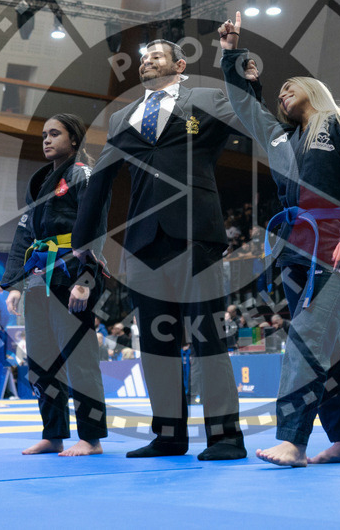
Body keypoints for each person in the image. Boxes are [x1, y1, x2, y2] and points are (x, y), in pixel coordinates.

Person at [220, 12, 340, 467]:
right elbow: (247, 109)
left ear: (315, 90)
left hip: (338, 247)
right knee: (328, 350)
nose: (281, 93)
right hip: (297, 253)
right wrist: (234, 57)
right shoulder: (284, 139)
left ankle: (292, 440)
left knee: (304, 337)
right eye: (279, 92)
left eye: (290, 87)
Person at [73, 39, 246, 461]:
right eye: (144, 57)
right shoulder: (121, 118)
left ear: (179, 64)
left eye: (156, 56)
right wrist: (82, 240)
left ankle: (225, 438)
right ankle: (169, 435)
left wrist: (233, 60)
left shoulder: (204, 98)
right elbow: (102, 179)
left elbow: (247, 113)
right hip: (143, 241)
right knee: (155, 345)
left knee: (208, 339)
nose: (147, 60)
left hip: (195, 234)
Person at [4, 114, 108, 455]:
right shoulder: (39, 181)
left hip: (70, 275)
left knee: (79, 360)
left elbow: (95, 226)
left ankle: (90, 438)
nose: (47, 140)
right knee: (41, 363)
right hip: (37, 279)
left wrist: (85, 279)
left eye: (55, 134)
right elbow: (23, 233)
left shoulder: (82, 174)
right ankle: (54, 433)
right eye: (44, 135)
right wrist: (16, 283)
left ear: (74, 140)